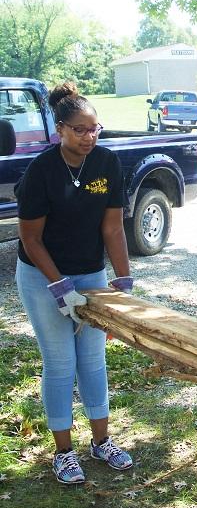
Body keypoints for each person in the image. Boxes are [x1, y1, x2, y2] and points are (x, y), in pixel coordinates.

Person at [15, 82, 135, 485]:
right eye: (80, 130)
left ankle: (102, 442)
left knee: (93, 360)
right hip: (41, 273)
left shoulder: (106, 163)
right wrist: (60, 287)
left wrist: (123, 281)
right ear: (60, 129)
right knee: (61, 361)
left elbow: (113, 228)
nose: (89, 137)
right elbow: (30, 240)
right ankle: (64, 452)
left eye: (95, 129)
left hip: (90, 272)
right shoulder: (41, 172)